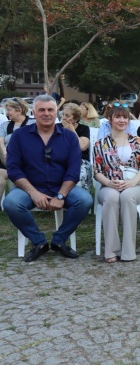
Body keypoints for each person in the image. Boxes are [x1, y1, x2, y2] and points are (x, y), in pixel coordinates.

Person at [4, 95, 92, 262]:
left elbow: (73, 171)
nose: (46, 113)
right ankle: (39, 242)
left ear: (56, 112)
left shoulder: (69, 137)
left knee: (85, 200)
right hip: (29, 188)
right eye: (41, 110)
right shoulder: (19, 136)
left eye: (50, 109)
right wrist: (34, 193)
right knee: (11, 203)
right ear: (33, 113)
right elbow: (13, 169)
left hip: (62, 186)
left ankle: (59, 240)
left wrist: (61, 195)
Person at [93, 104, 140, 263]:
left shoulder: (137, 141)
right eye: (118, 117)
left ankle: (128, 251)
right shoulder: (100, 144)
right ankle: (111, 251)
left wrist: (132, 182)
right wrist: (109, 183)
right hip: (109, 185)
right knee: (111, 198)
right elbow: (97, 171)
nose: (122, 120)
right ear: (110, 120)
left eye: (125, 117)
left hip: (136, 186)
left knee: (126, 196)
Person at [60, 103, 92, 193]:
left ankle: (81, 201)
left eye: (67, 115)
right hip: (60, 161)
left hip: (80, 161)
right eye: (63, 115)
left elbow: (82, 147)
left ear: (76, 118)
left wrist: (72, 130)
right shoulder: (57, 128)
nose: (63, 118)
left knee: (79, 176)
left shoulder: (83, 129)